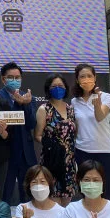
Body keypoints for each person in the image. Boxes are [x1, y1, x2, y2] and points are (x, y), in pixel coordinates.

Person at [72, 64, 110, 201]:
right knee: (87, 190)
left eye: (89, 76)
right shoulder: (74, 101)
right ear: (77, 80)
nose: (86, 79)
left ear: (95, 78)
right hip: (82, 150)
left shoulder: (106, 97)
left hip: (105, 150)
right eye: (82, 77)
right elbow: (76, 126)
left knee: (105, 190)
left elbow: (100, 117)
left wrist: (97, 105)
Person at [0, 63, 37, 205]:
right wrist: (16, 104)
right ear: (3, 79)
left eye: (17, 77)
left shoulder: (27, 97)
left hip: (26, 153)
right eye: (10, 77)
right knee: (5, 195)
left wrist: (25, 103)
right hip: (7, 153)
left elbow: (32, 123)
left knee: (28, 195)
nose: (14, 80)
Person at [34, 73, 77, 205]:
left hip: (69, 161)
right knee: (53, 200)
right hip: (52, 159)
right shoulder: (44, 109)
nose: (58, 88)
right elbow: (37, 135)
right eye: (54, 86)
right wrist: (52, 146)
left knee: (67, 201)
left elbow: (74, 133)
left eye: (60, 85)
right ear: (48, 89)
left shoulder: (70, 109)